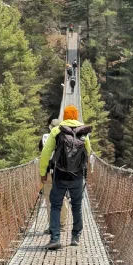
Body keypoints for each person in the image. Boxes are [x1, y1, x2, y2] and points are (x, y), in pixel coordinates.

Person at [39, 105, 92, 250]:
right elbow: (89, 152)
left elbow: (45, 154)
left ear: (64, 116)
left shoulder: (57, 130)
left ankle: (55, 238)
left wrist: (43, 172)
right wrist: (87, 170)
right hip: (77, 176)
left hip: (60, 175)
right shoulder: (83, 132)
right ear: (76, 116)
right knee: (77, 206)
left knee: (55, 205)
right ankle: (75, 237)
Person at [39, 116, 59, 210]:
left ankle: (52, 222)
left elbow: (42, 155)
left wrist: (42, 173)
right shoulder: (65, 137)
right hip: (61, 172)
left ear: (50, 127)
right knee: (61, 197)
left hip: (48, 173)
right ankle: (62, 222)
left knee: (48, 198)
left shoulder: (44, 137)